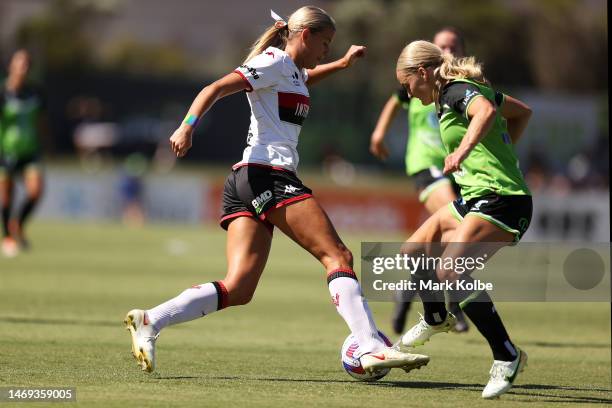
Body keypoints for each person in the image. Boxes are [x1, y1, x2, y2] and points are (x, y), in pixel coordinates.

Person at [124, 7, 429, 375]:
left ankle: (151, 321)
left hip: (247, 179)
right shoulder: (272, 61)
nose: (326, 51)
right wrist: (186, 127)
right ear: (304, 35)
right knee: (338, 255)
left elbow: (303, 78)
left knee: (239, 288)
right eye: (325, 43)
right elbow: (215, 88)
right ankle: (368, 347)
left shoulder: (292, 72)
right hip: (267, 175)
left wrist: (342, 65)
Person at [394, 40, 532, 399]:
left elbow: (485, 112)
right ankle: (436, 317)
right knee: (413, 251)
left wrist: (464, 152)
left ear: (422, 73)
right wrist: (500, 153)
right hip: (476, 197)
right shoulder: (449, 96)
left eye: (406, 83)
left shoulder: (457, 90)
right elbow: (522, 113)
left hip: (504, 200)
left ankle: (507, 355)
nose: (405, 91)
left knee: (451, 271)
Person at [369, 28, 468, 335]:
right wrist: (379, 133)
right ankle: (453, 303)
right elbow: (394, 102)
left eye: (453, 45)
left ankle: (408, 293)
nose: (448, 49)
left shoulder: (459, 87)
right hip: (425, 164)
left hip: (455, 168)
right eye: (442, 45)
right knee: (458, 223)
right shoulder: (417, 82)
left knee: (437, 241)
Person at [0, 49, 45, 257]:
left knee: (36, 191)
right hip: (5, 151)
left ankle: (18, 223)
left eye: (27, 63)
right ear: (11, 66)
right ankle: (8, 237)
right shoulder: (3, 93)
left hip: (30, 151)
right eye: (20, 63)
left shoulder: (35, 93)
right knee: (6, 197)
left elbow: (42, 121)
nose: (24, 67)